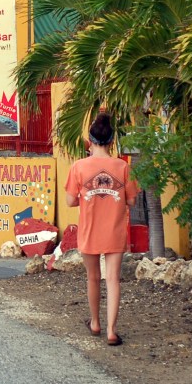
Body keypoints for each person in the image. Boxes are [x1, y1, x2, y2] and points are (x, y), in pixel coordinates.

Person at [64, 112, 139, 346]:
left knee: (93, 278)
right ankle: (111, 331)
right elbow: (132, 201)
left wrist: (87, 198)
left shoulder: (79, 167)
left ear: (90, 139)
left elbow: (69, 201)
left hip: (89, 231)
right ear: (111, 140)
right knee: (113, 280)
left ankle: (95, 322)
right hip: (114, 231)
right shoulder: (122, 167)